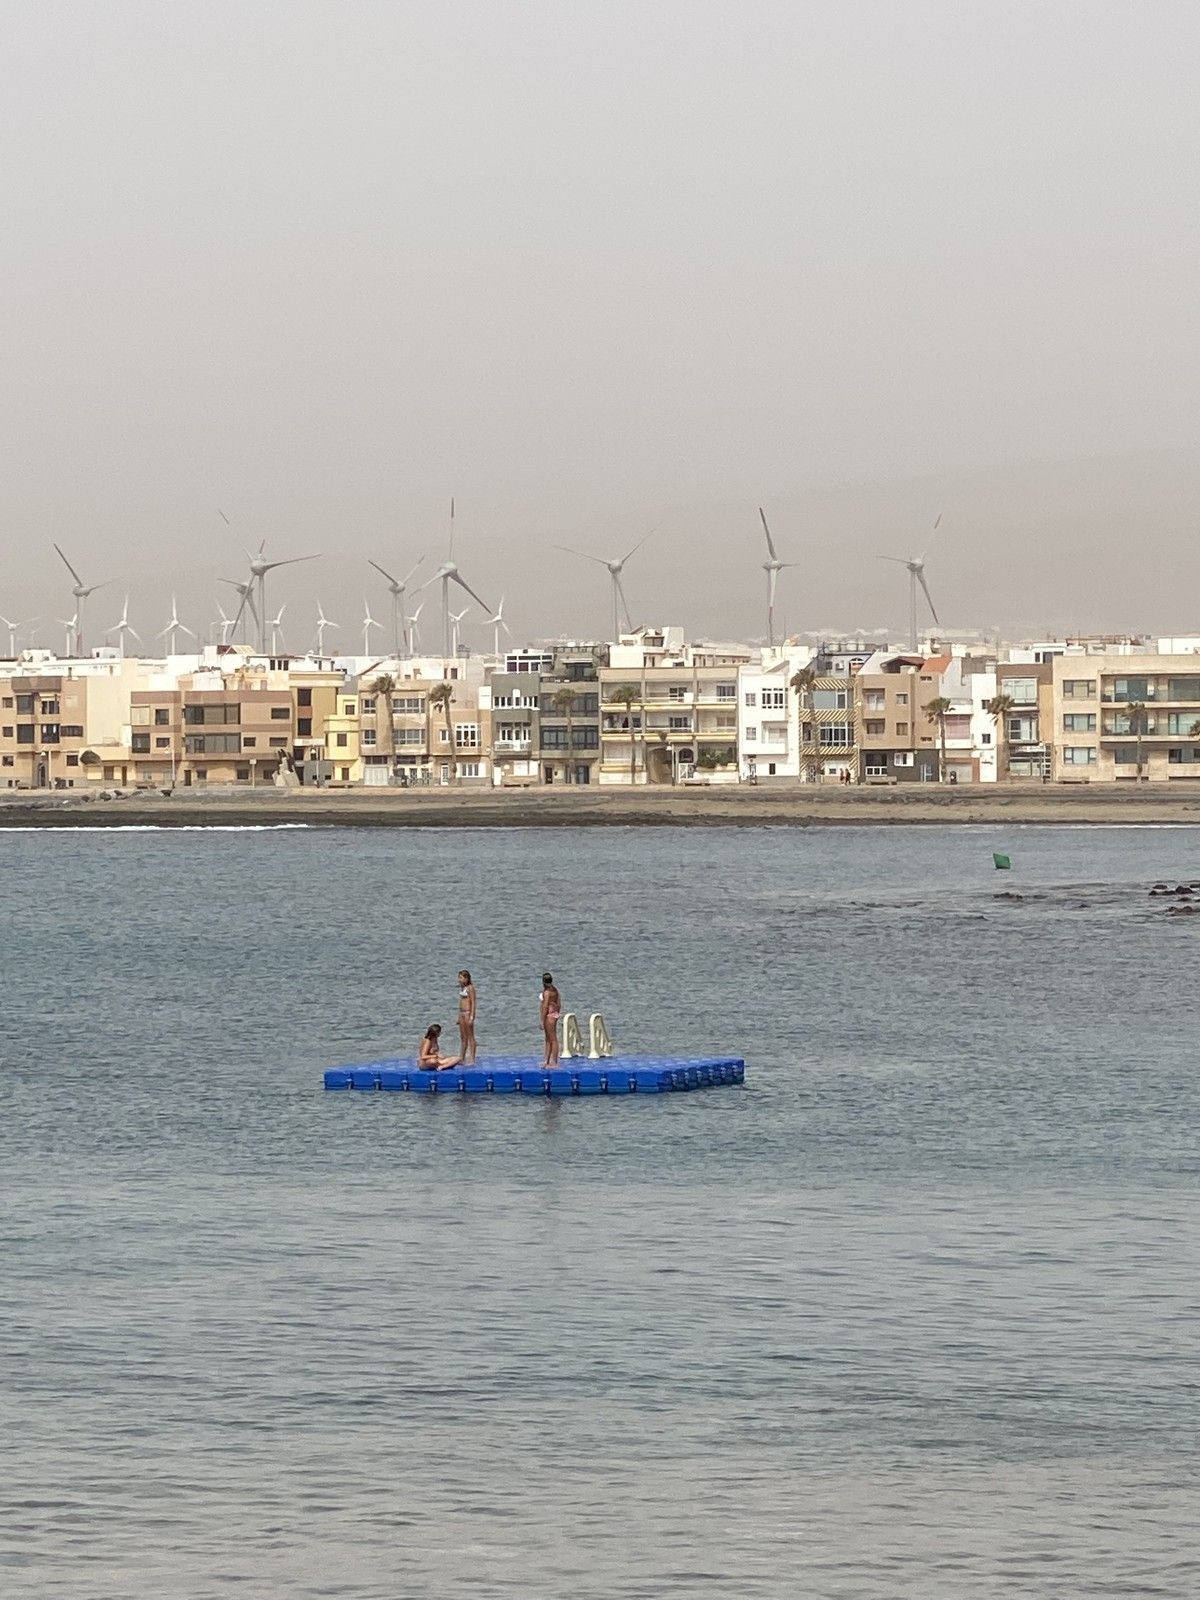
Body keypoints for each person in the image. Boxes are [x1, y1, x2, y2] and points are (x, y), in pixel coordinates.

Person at [540, 972, 561, 1067]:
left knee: (552, 1039)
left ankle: (554, 1062)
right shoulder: (555, 990)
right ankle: (547, 1061)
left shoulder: (547, 992)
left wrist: (542, 1020)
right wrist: (557, 1012)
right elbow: (559, 1003)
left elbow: (545, 1006)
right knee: (548, 1039)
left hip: (549, 1015)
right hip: (555, 1014)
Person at [457, 969, 477, 1064]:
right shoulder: (462, 988)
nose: (459, 980)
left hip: (468, 1013)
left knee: (470, 1036)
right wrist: (458, 1016)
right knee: (463, 1036)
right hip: (461, 1013)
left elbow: (473, 1002)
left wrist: (472, 1016)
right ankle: (462, 1056)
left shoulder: (470, 988)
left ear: (466, 978)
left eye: (461, 978)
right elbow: (461, 1001)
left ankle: (472, 1057)